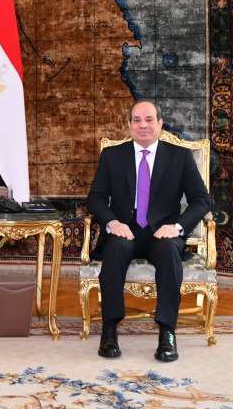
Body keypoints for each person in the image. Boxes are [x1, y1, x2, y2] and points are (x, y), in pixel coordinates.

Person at [87, 100, 210, 362]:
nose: (143, 125)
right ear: (129, 125)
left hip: (162, 232)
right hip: (125, 230)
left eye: (149, 119)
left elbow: (202, 200)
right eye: (137, 120)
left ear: (160, 124)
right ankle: (109, 330)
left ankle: (167, 333)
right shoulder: (112, 156)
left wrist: (177, 227)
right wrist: (113, 223)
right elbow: (96, 198)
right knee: (115, 249)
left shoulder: (180, 157)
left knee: (169, 252)